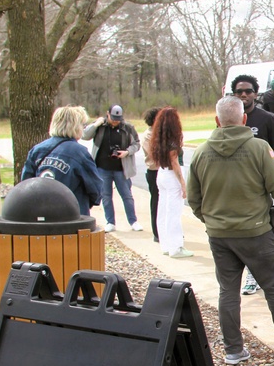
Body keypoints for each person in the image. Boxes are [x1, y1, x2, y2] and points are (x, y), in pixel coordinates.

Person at [187, 95, 274, 364]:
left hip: (220, 234)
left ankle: (233, 349)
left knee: (228, 290)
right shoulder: (259, 148)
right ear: (244, 119)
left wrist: (211, 220)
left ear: (217, 121)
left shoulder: (201, 152)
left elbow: (193, 198)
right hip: (257, 231)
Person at [230, 74, 274, 295]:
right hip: (236, 189)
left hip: (261, 188)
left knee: (260, 234)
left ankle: (254, 277)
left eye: (248, 91)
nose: (244, 95)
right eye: (239, 92)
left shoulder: (266, 118)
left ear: (255, 93)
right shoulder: (228, 117)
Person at [22, 105, 103, 216]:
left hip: (41, 215)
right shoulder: (80, 153)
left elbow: (25, 184)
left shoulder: (37, 150)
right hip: (72, 216)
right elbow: (96, 189)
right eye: (82, 125)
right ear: (76, 126)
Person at [82, 104, 143, 233]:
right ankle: (110, 222)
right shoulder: (100, 127)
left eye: (118, 118)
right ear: (107, 114)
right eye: (113, 118)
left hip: (122, 168)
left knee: (127, 195)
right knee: (106, 196)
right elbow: (85, 135)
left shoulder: (127, 127)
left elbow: (137, 144)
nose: (116, 121)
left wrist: (127, 152)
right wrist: (96, 124)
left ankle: (133, 221)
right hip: (102, 168)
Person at [151, 107, 192, 258]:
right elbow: (174, 162)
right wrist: (182, 183)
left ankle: (166, 245)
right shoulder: (173, 140)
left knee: (163, 211)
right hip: (171, 175)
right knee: (174, 212)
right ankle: (176, 247)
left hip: (161, 173)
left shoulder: (158, 138)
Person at [140, 107, 163, 242]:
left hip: (163, 170)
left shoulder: (159, 134)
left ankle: (165, 230)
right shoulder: (148, 135)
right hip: (154, 171)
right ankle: (156, 232)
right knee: (156, 202)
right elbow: (153, 155)